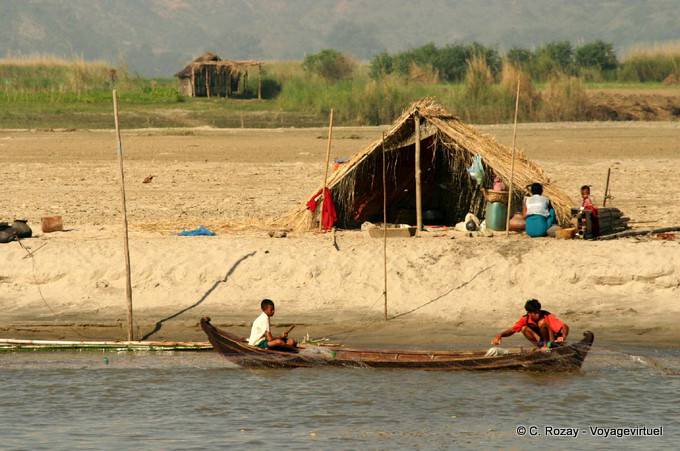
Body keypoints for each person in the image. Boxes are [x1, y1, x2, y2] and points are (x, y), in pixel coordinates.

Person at [492, 299, 569, 349]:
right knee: (523, 328)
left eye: (538, 311)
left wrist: (563, 337)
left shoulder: (547, 315)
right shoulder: (525, 319)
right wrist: (500, 335)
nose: (537, 314)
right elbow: (512, 330)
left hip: (552, 341)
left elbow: (564, 327)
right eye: (535, 313)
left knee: (542, 323)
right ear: (529, 313)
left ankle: (547, 346)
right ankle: (541, 347)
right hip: (541, 341)